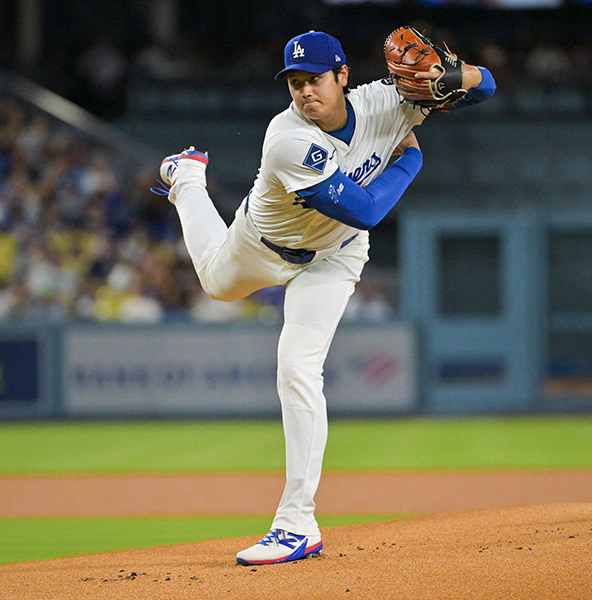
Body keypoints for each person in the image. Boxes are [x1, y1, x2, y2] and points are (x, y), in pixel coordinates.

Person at [156, 30, 496, 566]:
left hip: (334, 257)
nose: (304, 92)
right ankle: (188, 179)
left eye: (314, 79)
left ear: (342, 76)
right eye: (294, 83)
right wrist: (410, 162)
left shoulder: (389, 101)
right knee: (215, 284)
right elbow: (365, 209)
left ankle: (296, 524)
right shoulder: (286, 137)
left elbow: (486, 87)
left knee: (296, 368)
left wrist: (456, 77)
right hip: (263, 245)